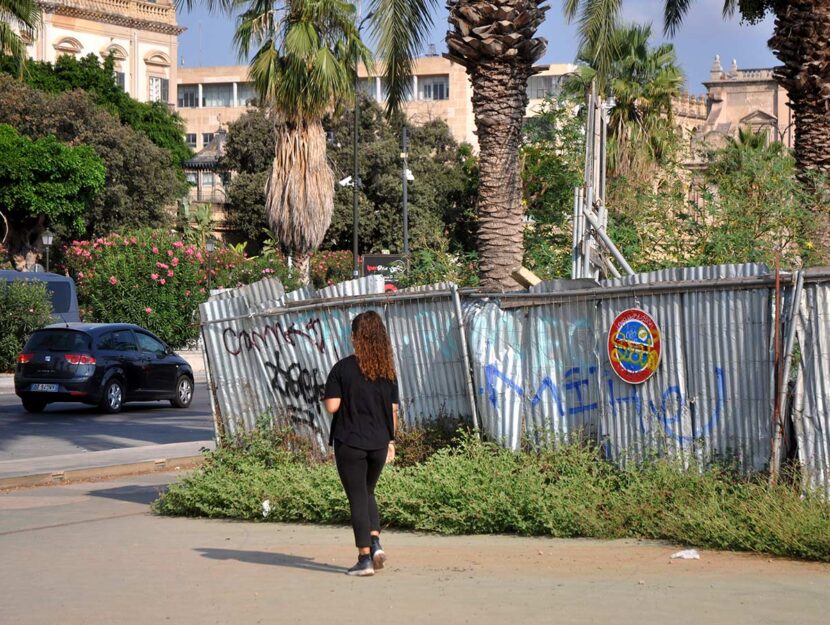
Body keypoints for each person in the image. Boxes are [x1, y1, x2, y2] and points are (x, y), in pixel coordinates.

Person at [323, 310, 398, 577]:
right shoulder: (387, 372)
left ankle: (364, 558)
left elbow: (332, 406)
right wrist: (391, 441)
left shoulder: (342, 368)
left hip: (350, 443)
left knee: (357, 497)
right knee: (367, 492)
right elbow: (393, 411)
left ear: (355, 337)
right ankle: (375, 541)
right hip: (379, 443)